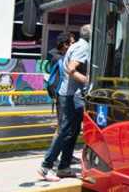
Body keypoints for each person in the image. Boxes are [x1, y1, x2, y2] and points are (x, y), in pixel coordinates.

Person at [38, 24, 91, 181]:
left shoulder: (77, 45)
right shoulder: (83, 47)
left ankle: (64, 167)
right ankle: (46, 167)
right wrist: (87, 81)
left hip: (68, 95)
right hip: (70, 95)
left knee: (72, 131)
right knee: (65, 131)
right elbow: (71, 68)